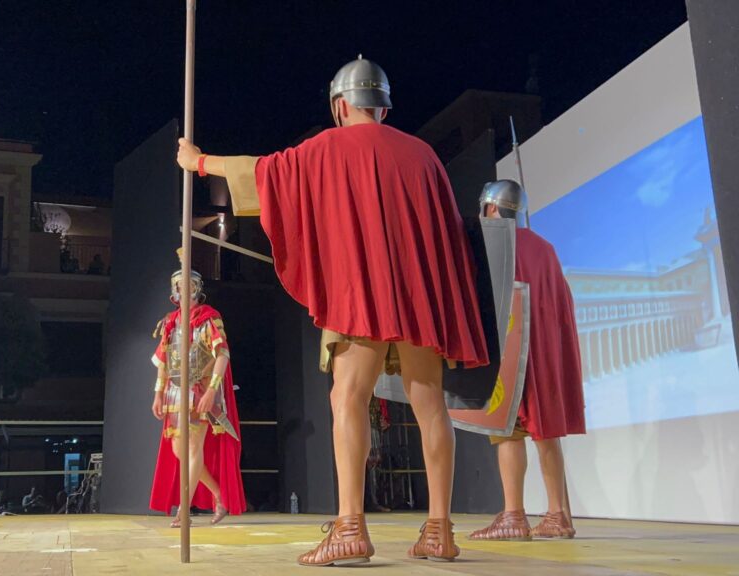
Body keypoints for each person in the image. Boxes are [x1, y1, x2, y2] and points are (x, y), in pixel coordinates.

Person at [176, 56, 489, 565]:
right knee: (430, 402)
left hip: (362, 293)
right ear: (382, 109)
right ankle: (439, 529)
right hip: (419, 297)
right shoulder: (425, 156)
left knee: (348, 396)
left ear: (341, 107)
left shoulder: (325, 148)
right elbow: (447, 236)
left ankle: (350, 526)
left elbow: (264, 175)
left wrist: (200, 162)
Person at [470, 180, 585, 541]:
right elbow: (561, 303)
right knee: (545, 431)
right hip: (544, 353)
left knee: (506, 432)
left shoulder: (491, 242)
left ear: (490, 209)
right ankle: (558, 515)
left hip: (508, 351)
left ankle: (514, 515)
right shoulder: (546, 248)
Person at [149, 257, 245, 526]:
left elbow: (222, 355)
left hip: (198, 389)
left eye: (188, 286)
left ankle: (184, 508)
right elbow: (163, 361)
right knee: (181, 451)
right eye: (179, 287)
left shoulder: (209, 318)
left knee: (192, 450)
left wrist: (212, 392)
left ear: (197, 289)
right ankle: (219, 496)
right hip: (173, 393)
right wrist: (157, 393)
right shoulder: (171, 322)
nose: (184, 292)